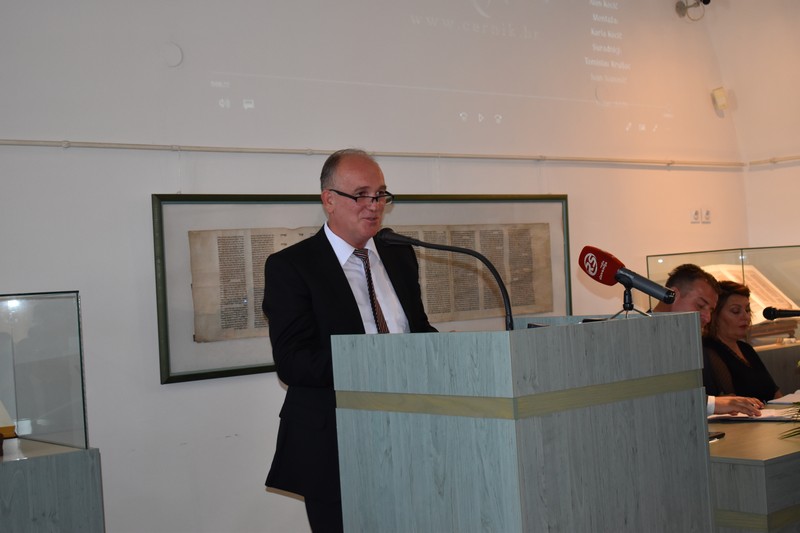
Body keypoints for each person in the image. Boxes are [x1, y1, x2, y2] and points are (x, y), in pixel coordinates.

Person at [262, 148, 437, 532]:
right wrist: (377, 361)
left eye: (380, 195)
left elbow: (418, 329)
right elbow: (293, 362)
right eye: (361, 195)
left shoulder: (400, 255)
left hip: (410, 435)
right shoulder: (292, 267)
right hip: (335, 445)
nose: (374, 206)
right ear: (329, 200)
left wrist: (452, 353)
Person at [652, 264, 763, 416]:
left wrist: (723, 401)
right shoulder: (639, 340)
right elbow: (657, 397)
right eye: (700, 305)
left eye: (711, 310)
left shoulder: (694, 342)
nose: (707, 318)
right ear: (673, 295)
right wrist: (713, 403)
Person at [703, 280, 783, 402]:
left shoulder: (745, 348)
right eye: (736, 311)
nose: (746, 316)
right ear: (714, 315)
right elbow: (728, 401)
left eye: (747, 310)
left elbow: (775, 393)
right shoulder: (708, 350)